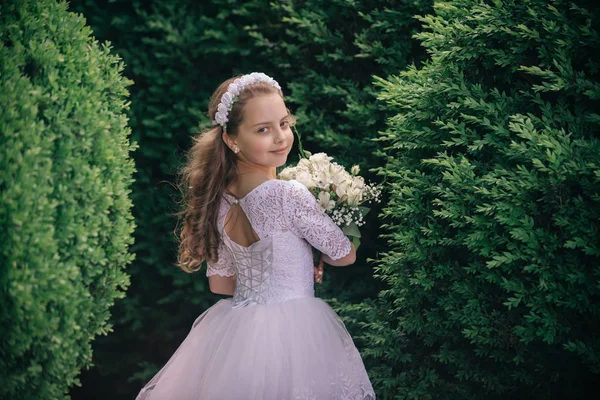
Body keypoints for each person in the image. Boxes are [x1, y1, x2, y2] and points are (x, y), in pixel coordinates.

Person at [136, 72, 376, 399]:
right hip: (296, 333)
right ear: (232, 140)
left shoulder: (218, 200)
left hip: (237, 335)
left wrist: (288, 270)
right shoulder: (286, 194)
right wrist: (340, 232)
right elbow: (344, 254)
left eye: (284, 123)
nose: (280, 137)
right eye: (263, 129)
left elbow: (219, 284)